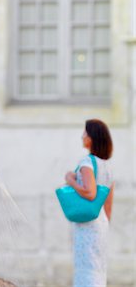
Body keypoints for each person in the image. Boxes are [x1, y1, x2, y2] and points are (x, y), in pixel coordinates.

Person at [65, 119, 114, 287]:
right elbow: (108, 204)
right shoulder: (107, 166)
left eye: (85, 133)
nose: (82, 136)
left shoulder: (87, 163)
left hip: (87, 225)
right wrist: (105, 224)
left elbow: (90, 192)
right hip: (101, 223)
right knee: (98, 270)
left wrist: (70, 180)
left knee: (85, 270)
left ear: (92, 137)